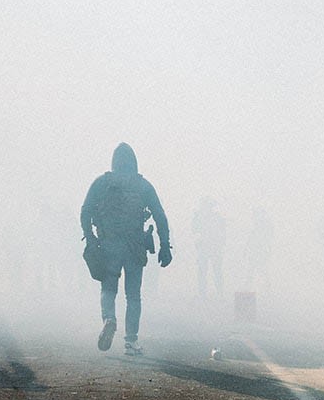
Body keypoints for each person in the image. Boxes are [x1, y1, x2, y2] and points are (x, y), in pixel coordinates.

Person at [81, 143, 171, 354]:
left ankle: (109, 319)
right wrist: (165, 245)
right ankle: (131, 341)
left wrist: (91, 239)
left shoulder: (101, 183)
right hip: (134, 246)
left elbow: (85, 211)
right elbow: (160, 215)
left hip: (108, 244)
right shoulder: (143, 186)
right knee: (133, 295)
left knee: (108, 289)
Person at [192, 197, 227, 299]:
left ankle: (219, 293)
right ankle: (204, 294)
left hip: (214, 247)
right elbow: (194, 230)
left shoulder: (217, 218)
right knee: (203, 271)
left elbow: (223, 232)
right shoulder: (199, 217)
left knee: (216, 271)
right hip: (205, 247)